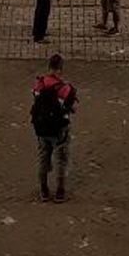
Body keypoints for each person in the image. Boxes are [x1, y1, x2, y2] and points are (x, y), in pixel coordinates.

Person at [30, 53, 78, 202]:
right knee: (61, 160)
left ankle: (43, 190)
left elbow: (36, 99)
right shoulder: (65, 89)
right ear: (60, 69)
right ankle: (60, 192)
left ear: (49, 67)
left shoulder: (39, 84)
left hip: (42, 129)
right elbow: (74, 108)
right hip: (59, 130)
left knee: (43, 158)